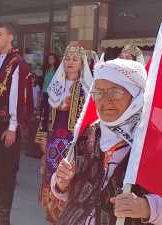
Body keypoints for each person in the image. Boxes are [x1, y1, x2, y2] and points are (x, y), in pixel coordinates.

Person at [51, 58, 162, 225]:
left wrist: (146, 207)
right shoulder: (87, 134)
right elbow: (67, 190)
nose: (105, 100)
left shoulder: (154, 142)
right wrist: (61, 183)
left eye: (115, 92)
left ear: (135, 95)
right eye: (99, 92)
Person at [0, 22, 32, 225]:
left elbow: (17, 98)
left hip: (6, 125)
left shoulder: (18, 63)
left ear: (10, 37)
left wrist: (12, 127)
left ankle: (3, 219)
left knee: (5, 172)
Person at [40, 44, 93, 224]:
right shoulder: (57, 82)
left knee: (69, 176)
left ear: (81, 64)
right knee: (50, 174)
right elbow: (45, 111)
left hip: (74, 141)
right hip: (54, 139)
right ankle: (52, 215)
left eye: (75, 59)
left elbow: (89, 117)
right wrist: (42, 135)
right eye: (68, 59)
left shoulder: (86, 86)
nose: (70, 62)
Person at [39, 53, 59, 131]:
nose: (50, 60)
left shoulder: (57, 70)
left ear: (55, 60)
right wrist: (41, 92)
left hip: (52, 93)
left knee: (52, 110)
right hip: (45, 92)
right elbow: (44, 81)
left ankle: (52, 126)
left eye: (52, 59)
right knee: (44, 110)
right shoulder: (47, 69)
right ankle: (44, 127)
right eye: (49, 59)